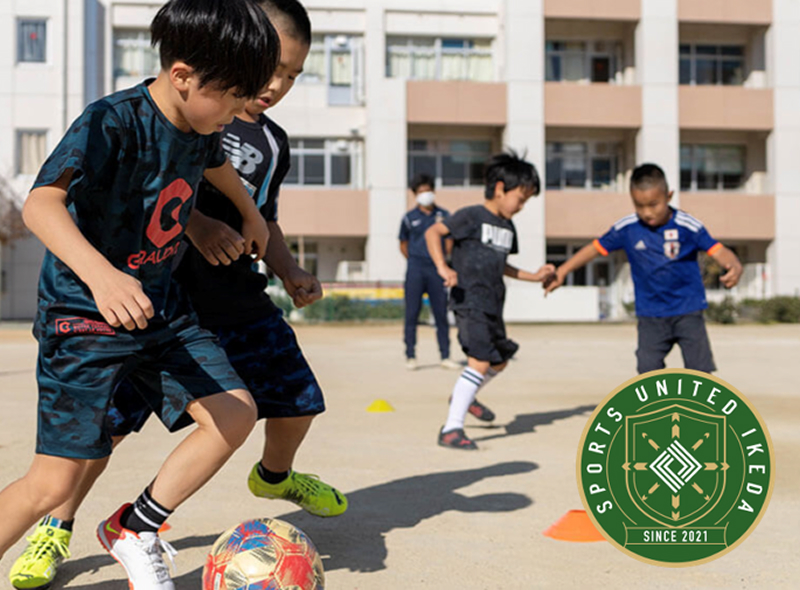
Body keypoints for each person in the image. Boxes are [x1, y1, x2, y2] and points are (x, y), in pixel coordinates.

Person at [8, 2, 347, 589]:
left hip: (161, 311)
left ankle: (133, 527)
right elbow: (41, 205)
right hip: (86, 318)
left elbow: (216, 167)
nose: (241, 111)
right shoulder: (112, 121)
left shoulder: (202, 127)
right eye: (235, 98)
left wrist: (249, 214)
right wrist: (102, 276)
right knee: (53, 482)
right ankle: (58, 527)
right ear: (184, 75)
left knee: (234, 413)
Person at [544, 163, 742, 374]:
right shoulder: (627, 228)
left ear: (669, 196)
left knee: (699, 372)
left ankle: (699, 395)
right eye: (639, 205)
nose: (647, 212)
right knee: (648, 369)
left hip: (687, 310)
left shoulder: (687, 225)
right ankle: (658, 397)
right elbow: (595, 249)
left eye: (654, 205)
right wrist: (562, 271)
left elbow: (718, 250)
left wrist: (735, 265)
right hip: (650, 314)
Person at [426, 152, 555, 450]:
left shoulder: (508, 227)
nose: (521, 207)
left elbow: (502, 265)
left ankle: (465, 394)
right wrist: (443, 267)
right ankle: (451, 429)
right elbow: (434, 232)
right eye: (520, 199)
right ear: (500, 189)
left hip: (493, 304)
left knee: (499, 361)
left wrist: (535, 276)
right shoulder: (471, 216)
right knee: (480, 361)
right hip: (469, 300)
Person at [399, 174, 460, 371]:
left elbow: (449, 241)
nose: (425, 194)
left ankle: (445, 356)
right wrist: (415, 259)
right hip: (415, 269)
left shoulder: (444, 215)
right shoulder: (409, 218)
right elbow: (403, 244)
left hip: (437, 270)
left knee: (441, 314)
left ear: (433, 191)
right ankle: (410, 355)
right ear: (415, 194)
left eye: (428, 190)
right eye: (421, 191)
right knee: (411, 314)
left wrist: (442, 260)